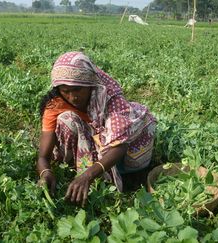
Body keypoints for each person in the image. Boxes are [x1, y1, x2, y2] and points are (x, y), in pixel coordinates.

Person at [36, 51, 156, 207]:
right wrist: (45, 173)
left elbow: (120, 145)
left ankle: (102, 180)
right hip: (95, 139)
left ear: (90, 84)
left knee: (111, 147)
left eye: (78, 89)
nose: (73, 97)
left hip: (121, 153)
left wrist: (88, 176)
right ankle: (77, 165)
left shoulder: (110, 99)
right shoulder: (56, 104)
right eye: (66, 91)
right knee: (66, 120)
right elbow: (42, 157)